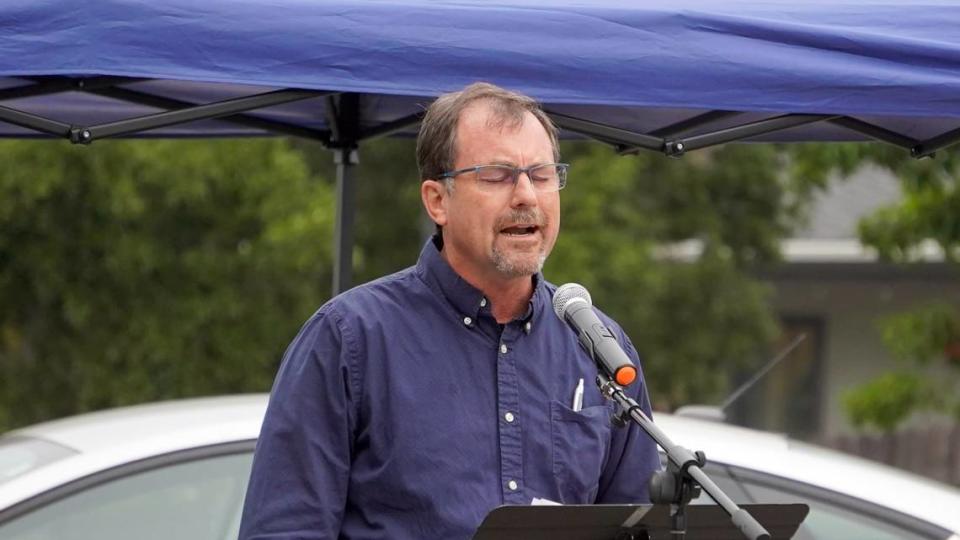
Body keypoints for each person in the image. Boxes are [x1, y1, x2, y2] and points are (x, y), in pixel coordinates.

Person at [238, 82, 660, 540]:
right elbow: (283, 529)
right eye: (497, 175)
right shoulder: (349, 339)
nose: (526, 197)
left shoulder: (598, 347)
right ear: (437, 200)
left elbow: (639, 527)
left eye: (540, 175)